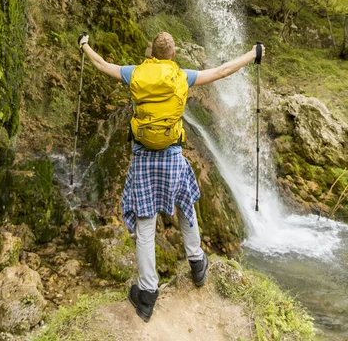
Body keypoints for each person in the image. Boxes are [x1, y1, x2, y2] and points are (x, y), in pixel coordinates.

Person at [78, 31, 265, 322]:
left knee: (145, 225)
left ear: (151, 53)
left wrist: (85, 45)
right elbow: (222, 70)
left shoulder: (135, 74)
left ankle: (147, 295)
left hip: (142, 159)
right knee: (185, 205)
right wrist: (253, 54)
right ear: (173, 55)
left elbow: (102, 65)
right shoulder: (183, 76)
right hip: (172, 156)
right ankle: (196, 261)